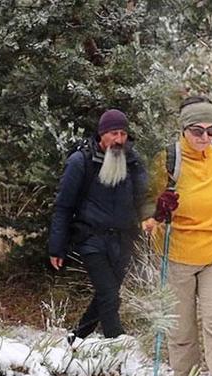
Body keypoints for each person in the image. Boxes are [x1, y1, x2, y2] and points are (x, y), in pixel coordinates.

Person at [142, 96, 212, 376]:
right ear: (183, 129)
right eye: (197, 131)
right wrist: (157, 211)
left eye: (211, 130)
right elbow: (144, 217)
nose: (205, 137)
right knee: (182, 331)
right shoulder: (167, 161)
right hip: (177, 257)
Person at [48, 109, 149, 340]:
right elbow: (63, 205)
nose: (119, 140)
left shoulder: (132, 161)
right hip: (91, 238)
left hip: (124, 239)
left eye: (123, 134)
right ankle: (117, 342)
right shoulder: (81, 161)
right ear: (102, 134)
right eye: (114, 133)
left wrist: (154, 215)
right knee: (109, 294)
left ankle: (78, 337)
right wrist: (57, 246)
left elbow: (145, 198)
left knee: (108, 293)